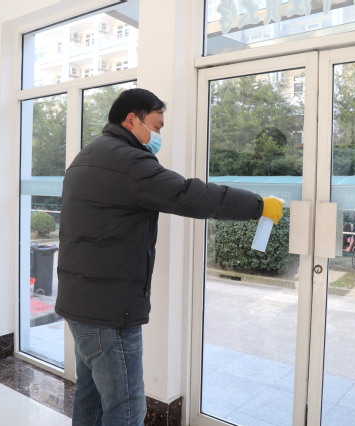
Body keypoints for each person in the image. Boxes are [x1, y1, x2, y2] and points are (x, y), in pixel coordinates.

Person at [54, 88, 283, 426]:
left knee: (91, 397)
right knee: (126, 409)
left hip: (80, 301)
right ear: (132, 120)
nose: (158, 134)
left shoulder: (87, 155)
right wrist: (257, 205)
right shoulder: (130, 162)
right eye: (156, 126)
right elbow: (189, 195)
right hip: (109, 311)